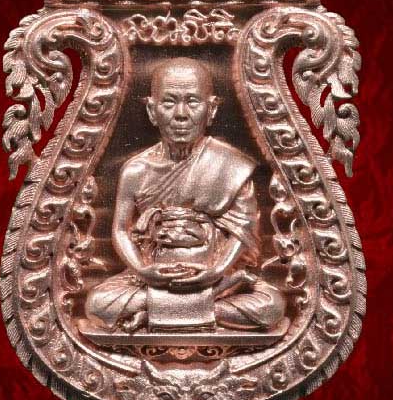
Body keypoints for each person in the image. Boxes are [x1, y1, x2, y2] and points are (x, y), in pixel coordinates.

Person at [85, 58, 286, 333]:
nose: (181, 114)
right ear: (152, 111)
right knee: (97, 304)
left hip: (217, 278)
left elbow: (243, 229)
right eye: (169, 102)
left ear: (211, 110)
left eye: (192, 101)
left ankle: (155, 312)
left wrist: (217, 271)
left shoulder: (231, 166)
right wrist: (143, 270)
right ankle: (197, 311)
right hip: (152, 278)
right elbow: (121, 230)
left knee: (272, 306)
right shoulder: (136, 170)